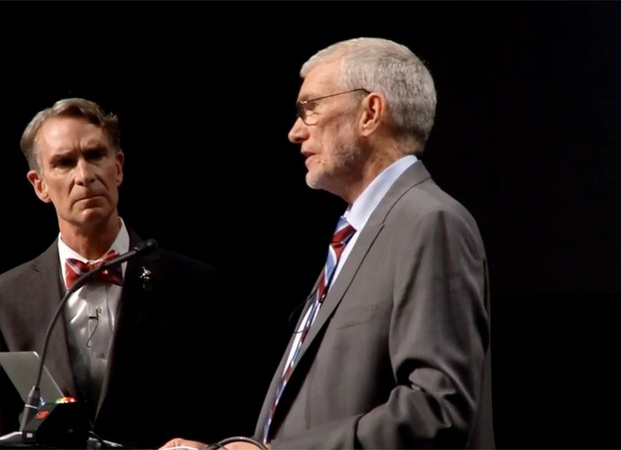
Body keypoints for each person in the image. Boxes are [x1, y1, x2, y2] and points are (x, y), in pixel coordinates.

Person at [159, 37, 493, 449]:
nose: (295, 131)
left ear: (370, 113)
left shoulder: (428, 222)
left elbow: (436, 411)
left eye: (310, 108)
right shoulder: (360, 232)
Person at [0, 97, 238, 449]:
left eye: (95, 155)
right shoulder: (3, 299)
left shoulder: (195, 284)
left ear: (119, 167)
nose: (84, 176)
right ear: (40, 185)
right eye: (64, 163)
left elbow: (230, 418)